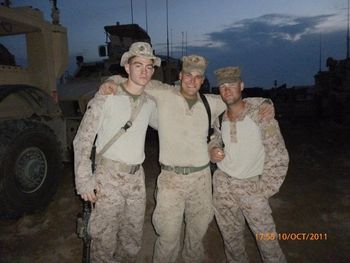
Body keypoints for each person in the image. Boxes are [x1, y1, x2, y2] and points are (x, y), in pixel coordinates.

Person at [98, 55, 275, 263]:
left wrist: (266, 101)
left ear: (202, 80)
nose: (193, 81)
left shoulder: (211, 103)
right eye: (188, 75)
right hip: (171, 180)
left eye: (198, 77)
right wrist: (111, 81)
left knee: (196, 234)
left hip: (201, 180)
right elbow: (136, 80)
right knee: (168, 236)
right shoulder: (163, 93)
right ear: (180, 76)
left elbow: (237, 100)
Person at [73, 42, 160, 262]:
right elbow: (83, 139)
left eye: (149, 67)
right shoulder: (107, 97)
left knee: (131, 241)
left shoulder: (150, 103)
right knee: (103, 242)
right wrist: (84, 180)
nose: (144, 71)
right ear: (127, 68)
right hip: (107, 179)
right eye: (138, 65)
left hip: (136, 180)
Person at [209, 66, 289, 263]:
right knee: (232, 242)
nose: (227, 90)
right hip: (223, 188)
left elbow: (278, 156)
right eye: (223, 86)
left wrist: (263, 190)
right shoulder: (219, 118)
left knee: (268, 244)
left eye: (232, 85)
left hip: (252, 188)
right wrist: (213, 150)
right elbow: (215, 139)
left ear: (242, 86)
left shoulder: (260, 114)